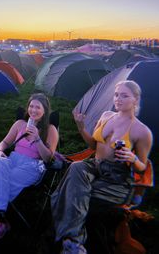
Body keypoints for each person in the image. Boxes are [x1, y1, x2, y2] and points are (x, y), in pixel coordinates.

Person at [51, 80, 153, 254]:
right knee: (76, 167)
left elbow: (142, 168)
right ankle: (74, 241)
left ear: (136, 99)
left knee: (73, 194)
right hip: (95, 166)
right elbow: (93, 146)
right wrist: (81, 127)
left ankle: (70, 241)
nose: (118, 99)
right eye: (116, 94)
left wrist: (133, 157)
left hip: (117, 178)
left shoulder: (141, 131)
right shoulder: (106, 116)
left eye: (124, 95)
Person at [0, 93, 59, 254]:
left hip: (32, 166)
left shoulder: (50, 130)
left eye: (37, 107)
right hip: (13, 160)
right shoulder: (19, 124)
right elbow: (4, 142)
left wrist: (38, 139)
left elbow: (48, 158)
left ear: (45, 110)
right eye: (31, 106)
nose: (33, 110)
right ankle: (0, 219)